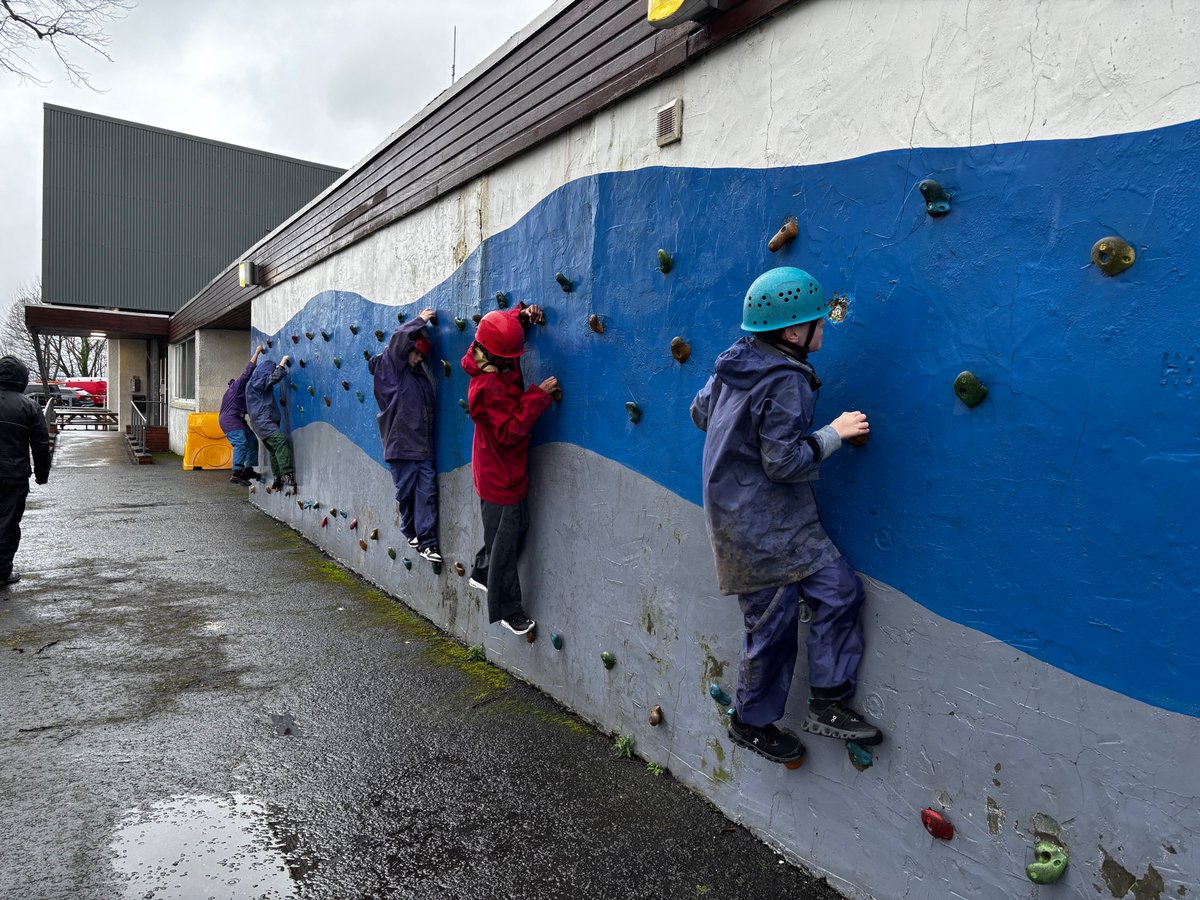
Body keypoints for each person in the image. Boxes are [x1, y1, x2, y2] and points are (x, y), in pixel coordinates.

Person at [690, 266, 882, 766]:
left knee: (840, 591)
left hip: (777, 521)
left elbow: (700, 412)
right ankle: (749, 722)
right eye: (820, 322)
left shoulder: (736, 359)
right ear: (794, 333)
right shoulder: (788, 381)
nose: (825, 328)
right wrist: (835, 433)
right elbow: (783, 462)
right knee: (771, 628)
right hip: (755, 527)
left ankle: (829, 699)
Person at [461, 304, 558, 635]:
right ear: (498, 356)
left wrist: (521, 316)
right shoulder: (487, 387)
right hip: (499, 474)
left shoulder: (490, 356)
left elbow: (498, 329)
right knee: (505, 542)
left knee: (515, 529)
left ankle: (481, 571)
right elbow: (508, 432)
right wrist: (538, 397)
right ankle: (507, 609)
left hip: (504, 469)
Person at [368, 307, 442, 563]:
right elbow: (398, 342)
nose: (419, 359)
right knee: (406, 493)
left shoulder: (416, 376)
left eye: (422, 356)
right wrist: (419, 320)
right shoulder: (391, 369)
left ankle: (428, 542)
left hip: (423, 447)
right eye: (416, 353)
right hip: (401, 446)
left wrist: (422, 333)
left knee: (427, 493)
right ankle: (409, 530)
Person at [0, 356, 52, 588]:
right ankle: (1, 572)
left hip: (13, 473)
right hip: (13, 475)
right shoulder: (29, 406)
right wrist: (42, 474)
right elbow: (40, 444)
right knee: (8, 523)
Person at [246, 351, 295, 490]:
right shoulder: (256, 383)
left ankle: (277, 479)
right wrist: (283, 363)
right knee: (280, 442)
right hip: (264, 422)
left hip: (260, 423)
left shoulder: (252, 384)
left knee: (273, 450)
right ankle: (287, 474)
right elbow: (273, 378)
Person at [220, 344, 264, 486]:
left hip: (238, 420)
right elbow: (247, 372)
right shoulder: (236, 387)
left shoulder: (243, 394)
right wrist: (257, 352)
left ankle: (248, 470)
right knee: (241, 442)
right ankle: (236, 474)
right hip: (230, 420)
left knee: (252, 441)